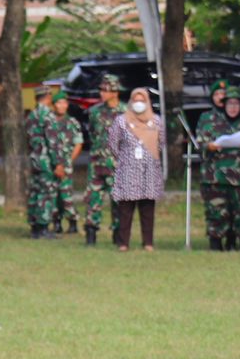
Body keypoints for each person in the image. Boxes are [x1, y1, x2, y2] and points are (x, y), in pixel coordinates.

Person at [198, 85, 240, 250]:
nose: (233, 107)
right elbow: (201, 143)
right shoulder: (209, 120)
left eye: (236, 104)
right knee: (216, 212)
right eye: (229, 103)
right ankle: (216, 244)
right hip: (216, 175)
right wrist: (209, 147)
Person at [107, 88, 164, 251]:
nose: (139, 104)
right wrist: (124, 157)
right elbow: (113, 143)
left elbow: (161, 142)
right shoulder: (121, 121)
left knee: (147, 208)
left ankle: (148, 242)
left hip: (149, 170)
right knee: (125, 208)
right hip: (128, 169)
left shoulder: (156, 121)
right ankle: (123, 242)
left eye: (142, 100)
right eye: (136, 100)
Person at [83, 74, 124, 245]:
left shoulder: (126, 113)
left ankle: (118, 233)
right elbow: (92, 133)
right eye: (101, 90)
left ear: (115, 92)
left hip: (118, 165)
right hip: (97, 163)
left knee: (118, 202)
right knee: (93, 199)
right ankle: (91, 234)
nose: (102, 93)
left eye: (105, 90)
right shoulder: (94, 112)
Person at [45, 89, 83, 235]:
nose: (62, 105)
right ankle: (56, 223)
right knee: (53, 196)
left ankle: (72, 222)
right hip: (51, 166)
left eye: (65, 103)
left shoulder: (72, 122)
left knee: (66, 195)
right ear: (54, 105)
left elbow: (78, 144)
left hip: (65, 166)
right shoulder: (49, 122)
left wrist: (68, 162)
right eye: (59, 102)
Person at [26, 85, 59, 239]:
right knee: (46, 193)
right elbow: (52, 142)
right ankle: (43, 227)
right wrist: (57, 162)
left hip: (34, 159)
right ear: (48, 96)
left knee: (35, 192)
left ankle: (34, 226)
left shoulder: (32, 115)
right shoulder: (47, 115)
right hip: (46, 160)